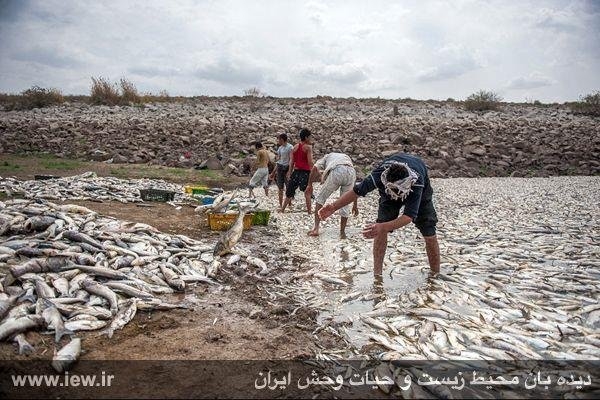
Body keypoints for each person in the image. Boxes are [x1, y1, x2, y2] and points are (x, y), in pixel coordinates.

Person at [318, 152, 440, 276]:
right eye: (395, 190)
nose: (398, 194)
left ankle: (435, 274)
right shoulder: (378, 176)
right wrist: (333, 207)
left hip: (415, 190)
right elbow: (357, 191)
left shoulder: (416, 181)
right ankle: (377, 274)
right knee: (380, 229)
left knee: (429, 230)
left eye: (399, 190)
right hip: (388, 194)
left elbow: (408, 217)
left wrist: (383, 227)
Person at [307, 152, 359, 239]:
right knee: (345, 203)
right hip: (351, 172)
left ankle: (316, 229)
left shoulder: (326, 157)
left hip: (338, 170)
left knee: (320, 198)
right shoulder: (344, 157)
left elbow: (315, 168)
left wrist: (309, 184)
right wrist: (355, 205)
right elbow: (354, 190)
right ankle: (342, 233)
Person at [279, 128, 314, 213]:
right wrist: (315, 171)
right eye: (310, 137)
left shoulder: (295, 147)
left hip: (296, 172)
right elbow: (310, 162)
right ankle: (309, 211)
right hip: (305, 172)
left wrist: (290, 172)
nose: (311, 139)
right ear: (306, 137)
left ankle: (282, 209)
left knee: (289, 191)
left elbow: (291, 161)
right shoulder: (308, 148)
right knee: (307, 192)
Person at [269, 133, 293, 208]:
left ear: (282, 139)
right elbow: (279, 160)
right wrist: (273, 172)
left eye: (279, 139)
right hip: (280, 168)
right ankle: (280, 204)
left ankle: (289, 204)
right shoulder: (280, 148)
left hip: (286, 168)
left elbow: (291, 160)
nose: (278, 141)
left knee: (288, 187)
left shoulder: (290, 147)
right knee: (280, 187)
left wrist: (289, 171)